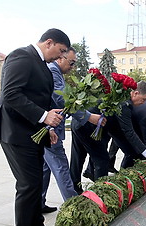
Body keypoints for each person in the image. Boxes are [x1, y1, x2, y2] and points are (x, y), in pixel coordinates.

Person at [0, 28, 70, 226]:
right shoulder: (21, 56)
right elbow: (11, 95)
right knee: (27, 184)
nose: (60, 57)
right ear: (49, 42)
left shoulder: (40, 63)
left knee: (35, 184)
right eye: (61, 51)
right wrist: (44, 117)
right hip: (14, 133)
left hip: (32, 132)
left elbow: (35, 99)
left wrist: (46, 126)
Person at [41, 47, 104, 213]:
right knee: (61, 167)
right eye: (71, 63)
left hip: (49, 128)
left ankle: (38, 203)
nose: (73, 67)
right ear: (60, 58)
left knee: (45, 168)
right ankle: (76, 209)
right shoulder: (53, 71)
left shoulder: (56, 72)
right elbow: (61, 100)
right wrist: (89, 116)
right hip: (50, 129)